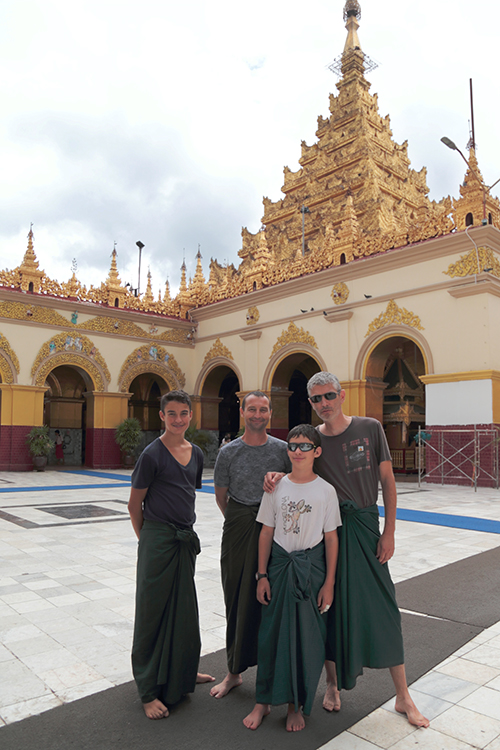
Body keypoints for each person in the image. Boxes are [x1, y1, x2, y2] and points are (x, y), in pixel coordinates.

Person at [265, 372, 429, 728]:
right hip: (331, 536)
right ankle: (333, 685)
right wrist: (275, 475)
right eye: (316, 399)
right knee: (329, 610)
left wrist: (389, 532)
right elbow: (298, 470)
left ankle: (403, 696)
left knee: (385, 609)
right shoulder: (313, 439)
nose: (323, 404)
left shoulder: (370, 428)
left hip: (367, 529)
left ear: (341, 396)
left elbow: (387, 481)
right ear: (310, 403)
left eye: (328, 396)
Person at [243, 424, 341, 732]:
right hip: (279, 568)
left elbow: (331, 539)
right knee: (270, 635)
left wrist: (329, 583)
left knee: (305, 638)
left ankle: (296, 704)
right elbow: (266, 532)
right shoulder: (277, 487)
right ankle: (262, 702)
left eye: (304, 446)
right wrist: (261, 575)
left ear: (317, 451)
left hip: (310, 572)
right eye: (293, 446)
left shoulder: (326, 491)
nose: (297, 452)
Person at [128, 390, 214, 720]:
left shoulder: (196, 453)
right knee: (151, 613)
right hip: (158, 538)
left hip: (183, 540)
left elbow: (187, 494)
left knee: (183, 610)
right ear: (162, 416)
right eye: (172, 414)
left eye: (184, 414)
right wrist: (149, 541)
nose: (178, 419)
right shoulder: (152, 455)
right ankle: (148, 690)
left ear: (191, 416)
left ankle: (183, 671)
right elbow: (135, 505)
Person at [210, 391, 291, 699]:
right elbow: (221, 495)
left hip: (278, 527)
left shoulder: (283, 450)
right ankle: (234, 671)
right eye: (252, 409)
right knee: (237, 597)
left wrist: (281, 475)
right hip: (239, 524)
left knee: (275, 598)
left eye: (264, 409)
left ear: (270, 413)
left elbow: (300, 478)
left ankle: (275, 671)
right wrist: (240, 520)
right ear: (243, 412)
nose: (258, 414)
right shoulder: (228, 452)